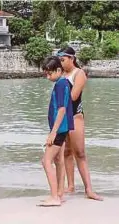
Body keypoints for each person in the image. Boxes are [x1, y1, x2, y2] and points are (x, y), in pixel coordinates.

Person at [56, 46, 103, 201]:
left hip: (75, 116)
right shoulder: (60, 74)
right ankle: (70, 185)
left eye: (63, 60)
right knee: (66, 152)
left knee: (80, 153)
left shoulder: (79, 73)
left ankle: (89, 189)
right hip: (63, 117)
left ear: (72, 58)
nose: (61, 63)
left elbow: (74, 96)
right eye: (59, 60)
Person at [38, 56, 75, 207]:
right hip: (63, 128)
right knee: (58, 161)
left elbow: (61, 110)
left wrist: (52, 133)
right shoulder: (64, 82)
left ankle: (54, 197)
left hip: (59, 129)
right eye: (46, 74)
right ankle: (59, 193)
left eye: (49, 73)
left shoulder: (61, 84)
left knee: (46, 161)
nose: (47, 77)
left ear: (59, 70)